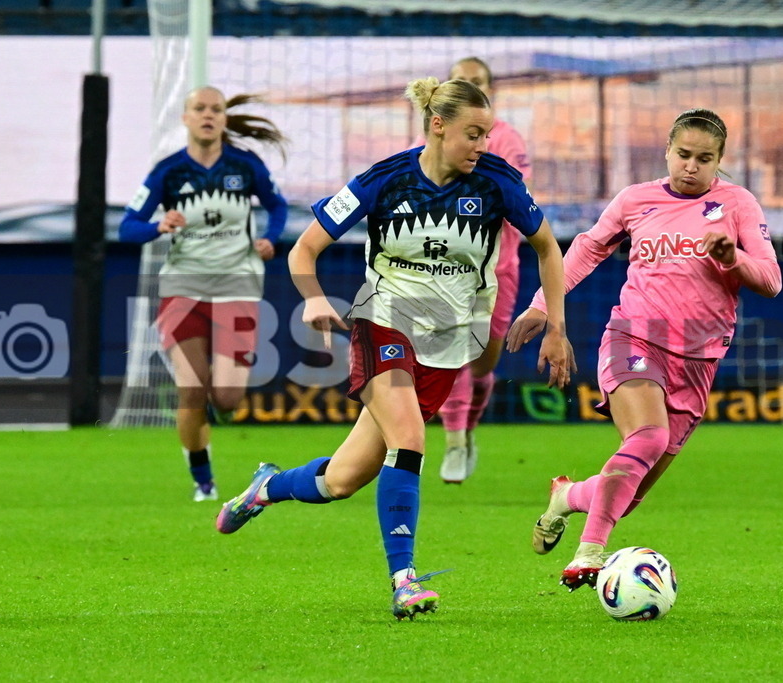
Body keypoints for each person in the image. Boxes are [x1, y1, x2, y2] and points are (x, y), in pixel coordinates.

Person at [215, 76, 574, 620]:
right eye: (472, 135)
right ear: (437, 125)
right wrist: (312, 299)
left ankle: (266, 488)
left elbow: (548, 248)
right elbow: (304, 250)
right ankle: (404, 581)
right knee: (409, 440)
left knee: (340, 480)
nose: (483, 146)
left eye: (487, 135)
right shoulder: (385, 178)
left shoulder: (499, 183)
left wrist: (554, 324)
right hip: (384, 322)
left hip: (448, 343)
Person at [508, 108, 782, 590]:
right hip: (634, 334)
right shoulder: (637, 200)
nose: (691, 166)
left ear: (720, 160)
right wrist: (542, 307)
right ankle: (589, 553)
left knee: (627, 493)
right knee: (649, 436)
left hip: (699, 357)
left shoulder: (737, 204)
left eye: (704, 158)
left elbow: (771, 281)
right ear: (667, 152)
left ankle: (568, 497)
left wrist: (731, 258)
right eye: (683, 154)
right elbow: (588, 248)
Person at [120, 86, 289, 501]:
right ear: (186, 117)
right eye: (200, 108)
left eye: (216, 109)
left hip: (237, 284)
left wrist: (270, 237)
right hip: (183, 288)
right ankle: (203, 480)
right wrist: (157, 227)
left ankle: (209, 424)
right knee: (191, 391)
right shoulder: (168, 172)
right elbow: (127, 227)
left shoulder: (245, 166)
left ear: (224, 118)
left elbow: (278, 206)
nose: (208, 115)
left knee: (228, 400)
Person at [433, 57, 533, 484]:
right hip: (444, 268)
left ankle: (469, 428)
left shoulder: (507, 140)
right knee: (454, 351)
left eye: (478, 82)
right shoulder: (436, 139)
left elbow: (517, 195)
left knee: (483, 361)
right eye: (462, 82)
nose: (470, 87)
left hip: (498, 267)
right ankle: (453, 442)